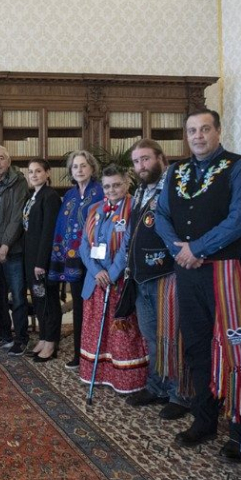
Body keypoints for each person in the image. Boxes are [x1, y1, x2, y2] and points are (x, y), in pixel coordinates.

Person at [155, 108, 241, 462]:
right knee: (197, 346)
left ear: (218, 131)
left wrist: (197, 248)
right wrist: (180, 251)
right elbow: (162, 215)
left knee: (235, 348)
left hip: (225, 272)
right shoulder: (175, 171)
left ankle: (240, 431)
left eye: (204, 129)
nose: (197, 136)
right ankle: (205, 420)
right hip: (188, 273)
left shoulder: (240, 166)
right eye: (192, 131)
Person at [122, 140, 191, 420]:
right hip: (142, 276)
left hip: (167, 274)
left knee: (172, 337)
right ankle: (157, 386)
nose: (141, 166)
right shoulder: (140, 190)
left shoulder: (174, 187)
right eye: (136, 161)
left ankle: (179, 394)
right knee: (152, 336)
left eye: (146, 159)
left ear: (161, 158)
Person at [78, 165, 148, 390]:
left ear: (127, 183)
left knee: (121, 333)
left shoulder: (135, 207)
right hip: (95, 280)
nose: (111, 190)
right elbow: (84, 246)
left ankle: (124, 380)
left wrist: (111, 274)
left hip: (119, 282)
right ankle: (99, 375)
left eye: (116, 185)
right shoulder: (95, 208)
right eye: (107, 186)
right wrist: (96, 271)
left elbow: (129, 245)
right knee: (96, 328)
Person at [48, 150, 104, 369]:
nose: (79, 170)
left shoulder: (100, 191)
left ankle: (97, 355)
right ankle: (79, 354)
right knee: (79, 307)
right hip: (73, 259)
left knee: (94, 307)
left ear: (91, 168)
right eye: (75, 166)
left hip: (95, 260)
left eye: (83, 165)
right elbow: (61, 226)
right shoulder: (70, 195)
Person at [0, 145, 30, 356]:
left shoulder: (18, 183)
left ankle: (21, 338)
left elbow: (17, 216)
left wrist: (6, 244)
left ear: (8, 161)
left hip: (11, 249)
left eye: (1, 158)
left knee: (17, 295)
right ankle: (4, 335)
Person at [22, 159, 62, 362]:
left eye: (38, 171)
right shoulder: (33, 196)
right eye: (31, 172)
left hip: (42, 259)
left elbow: (48, 232)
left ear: (47, 173)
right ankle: (43, 337)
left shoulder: (50, 196)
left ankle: (51, 342)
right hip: (31, 256)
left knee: (48, 301)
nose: (34, 175)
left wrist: (41, 262)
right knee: (38, 300)